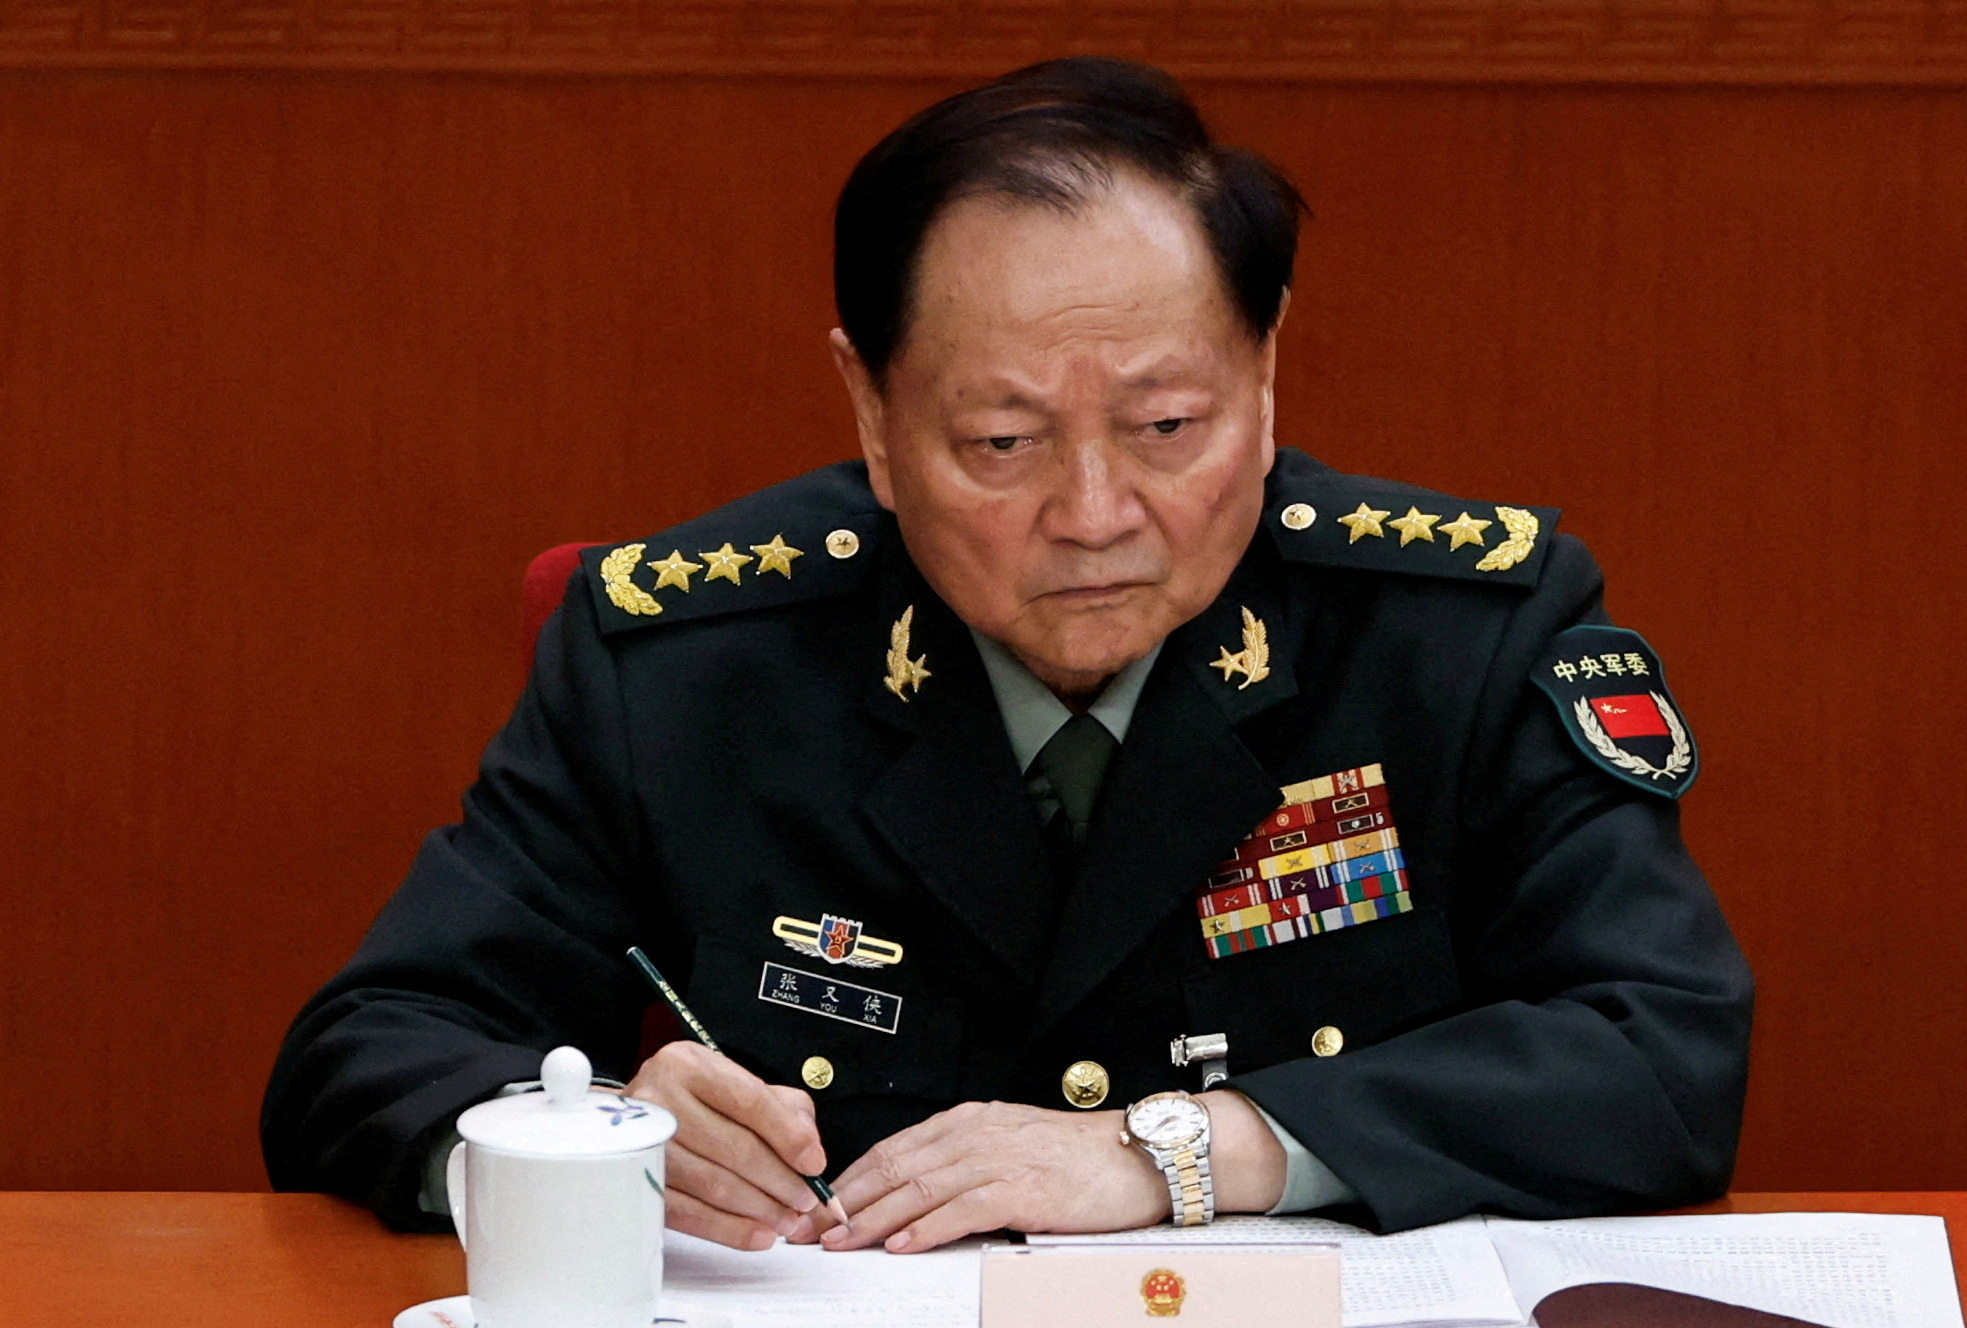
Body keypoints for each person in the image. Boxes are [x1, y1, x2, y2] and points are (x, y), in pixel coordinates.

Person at [262, 57, 1751, 1251]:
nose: (1094, 515)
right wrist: (592, 1138)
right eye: (1001, 440)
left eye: (1168, 428)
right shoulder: (687, 664)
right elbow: (372, 1048)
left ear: (1266, 369)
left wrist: (1179, 1151)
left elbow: (1661, 1051)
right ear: (871, 413)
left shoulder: (1463, 637)